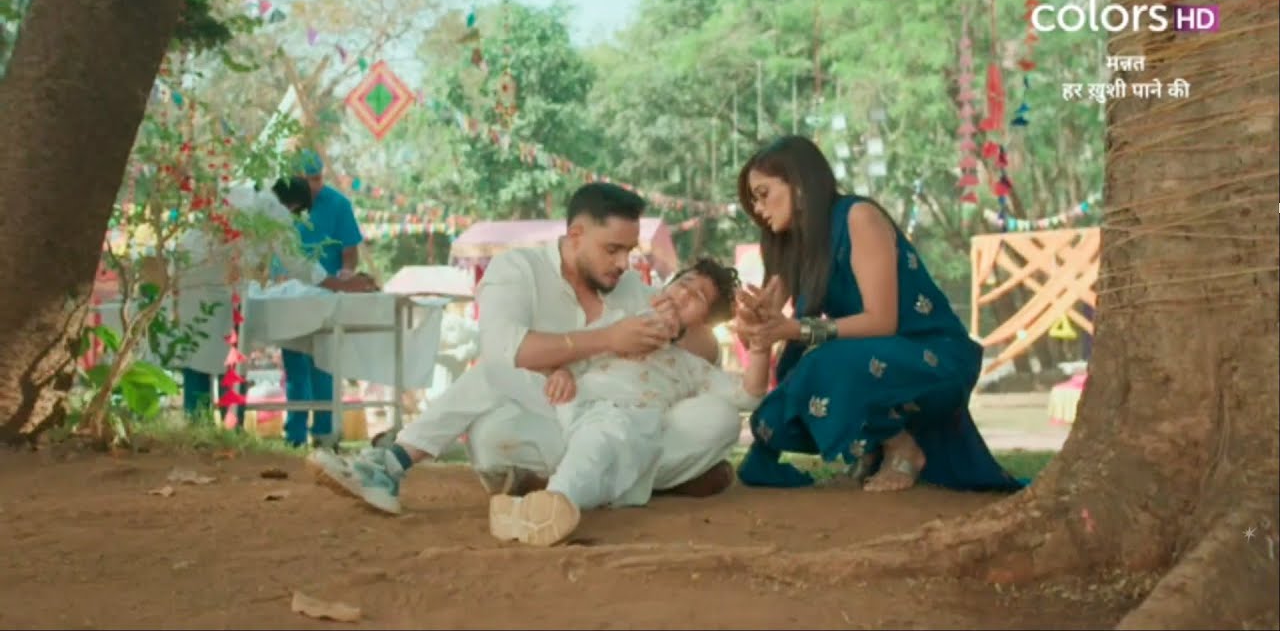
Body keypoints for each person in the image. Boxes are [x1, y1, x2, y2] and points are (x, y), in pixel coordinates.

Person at [308, 182, 742, 515]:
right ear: (576, 234)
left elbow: (699, 349)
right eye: (612, 250)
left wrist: (716, 322)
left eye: (628, 251)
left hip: (620, 426)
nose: (621, 263)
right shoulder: (517, 270)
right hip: (546, 416)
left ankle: (576, 487)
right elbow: (503, 351)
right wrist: (599, 343)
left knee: (717, 419)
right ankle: (389, 465)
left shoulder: (628, 286)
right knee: (495, 415)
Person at [732, 135, 1023, 493]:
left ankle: (903, 449)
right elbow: (769, 324)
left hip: (932, 355)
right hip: (864, 359)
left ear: (800, 185)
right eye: (753, 200)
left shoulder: (858, 217)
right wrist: (755, 323)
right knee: (779, 405)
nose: (758, 208)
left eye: (763, 194)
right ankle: (869, 452)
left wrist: (796, 329)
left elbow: (881, 321)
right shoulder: (793, 245)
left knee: (822, 363)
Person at [488, 257, 768, 547]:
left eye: (698, 297)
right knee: (603, 432)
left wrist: (760, 346)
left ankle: (538, 506)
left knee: (625, 435)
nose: (685, 294)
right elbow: (570, 348)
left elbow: (748, 395)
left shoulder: (689, 365)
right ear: (665, 287)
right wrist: (560, 372)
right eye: (684, 283)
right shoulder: (618, 321)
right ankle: (558, 498)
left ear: (703, 323)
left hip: (635, 428)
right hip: (581, 406)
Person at [175, 178, 374, 420]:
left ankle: (196, 426)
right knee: (230, 363)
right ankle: (229, 428)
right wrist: (341, 285)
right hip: (219, 287)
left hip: (186, 278)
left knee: (195, 358)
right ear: (294, 206)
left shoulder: (240, 192)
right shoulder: (275, 212)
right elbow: (297, 264)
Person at [282, 151, 365, 447]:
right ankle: (294, 436)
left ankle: (325, 434)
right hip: (290, 297)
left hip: (327, 296)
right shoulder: (283, 205)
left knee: (325, 365)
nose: (313, 186)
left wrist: (346, 272)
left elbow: (350, 249)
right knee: (295, 367)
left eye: (317, 179)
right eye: (306, 180)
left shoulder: (338, 204)